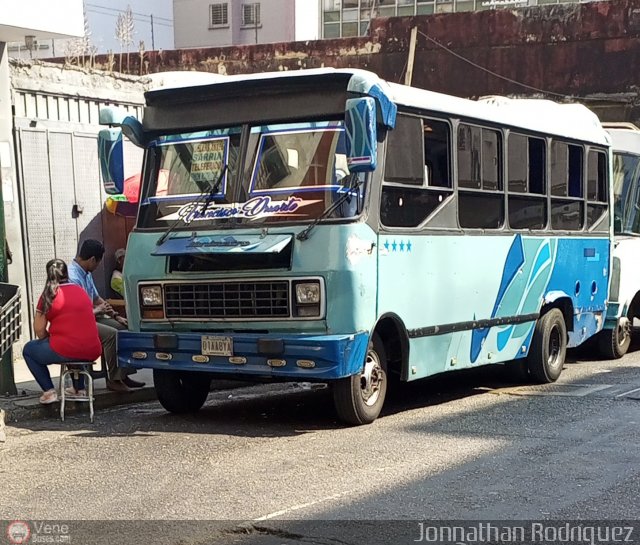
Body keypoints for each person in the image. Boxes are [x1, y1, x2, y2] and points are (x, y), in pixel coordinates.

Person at [69, 239, 145, 392]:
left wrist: (116, 316)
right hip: (80, 321)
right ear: (92, 260)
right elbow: (76, 312)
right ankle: (113, 380)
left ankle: (123, 375)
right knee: (111, 335)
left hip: (92, 314)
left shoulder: (86, 272)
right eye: (97, 263)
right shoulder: (72, 276)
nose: (97, 267)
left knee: (124, 328)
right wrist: (98, 310)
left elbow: (96, 298)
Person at [23, 259, 102, 404]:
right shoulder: (81, 291)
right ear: (67, 273)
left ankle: (49, 391)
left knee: (29, 350)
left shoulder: (48, 295)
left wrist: (49, 339)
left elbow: (39, 330)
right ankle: (79, 389)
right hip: (93, 349)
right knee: (74, 349)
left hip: (66, 348)